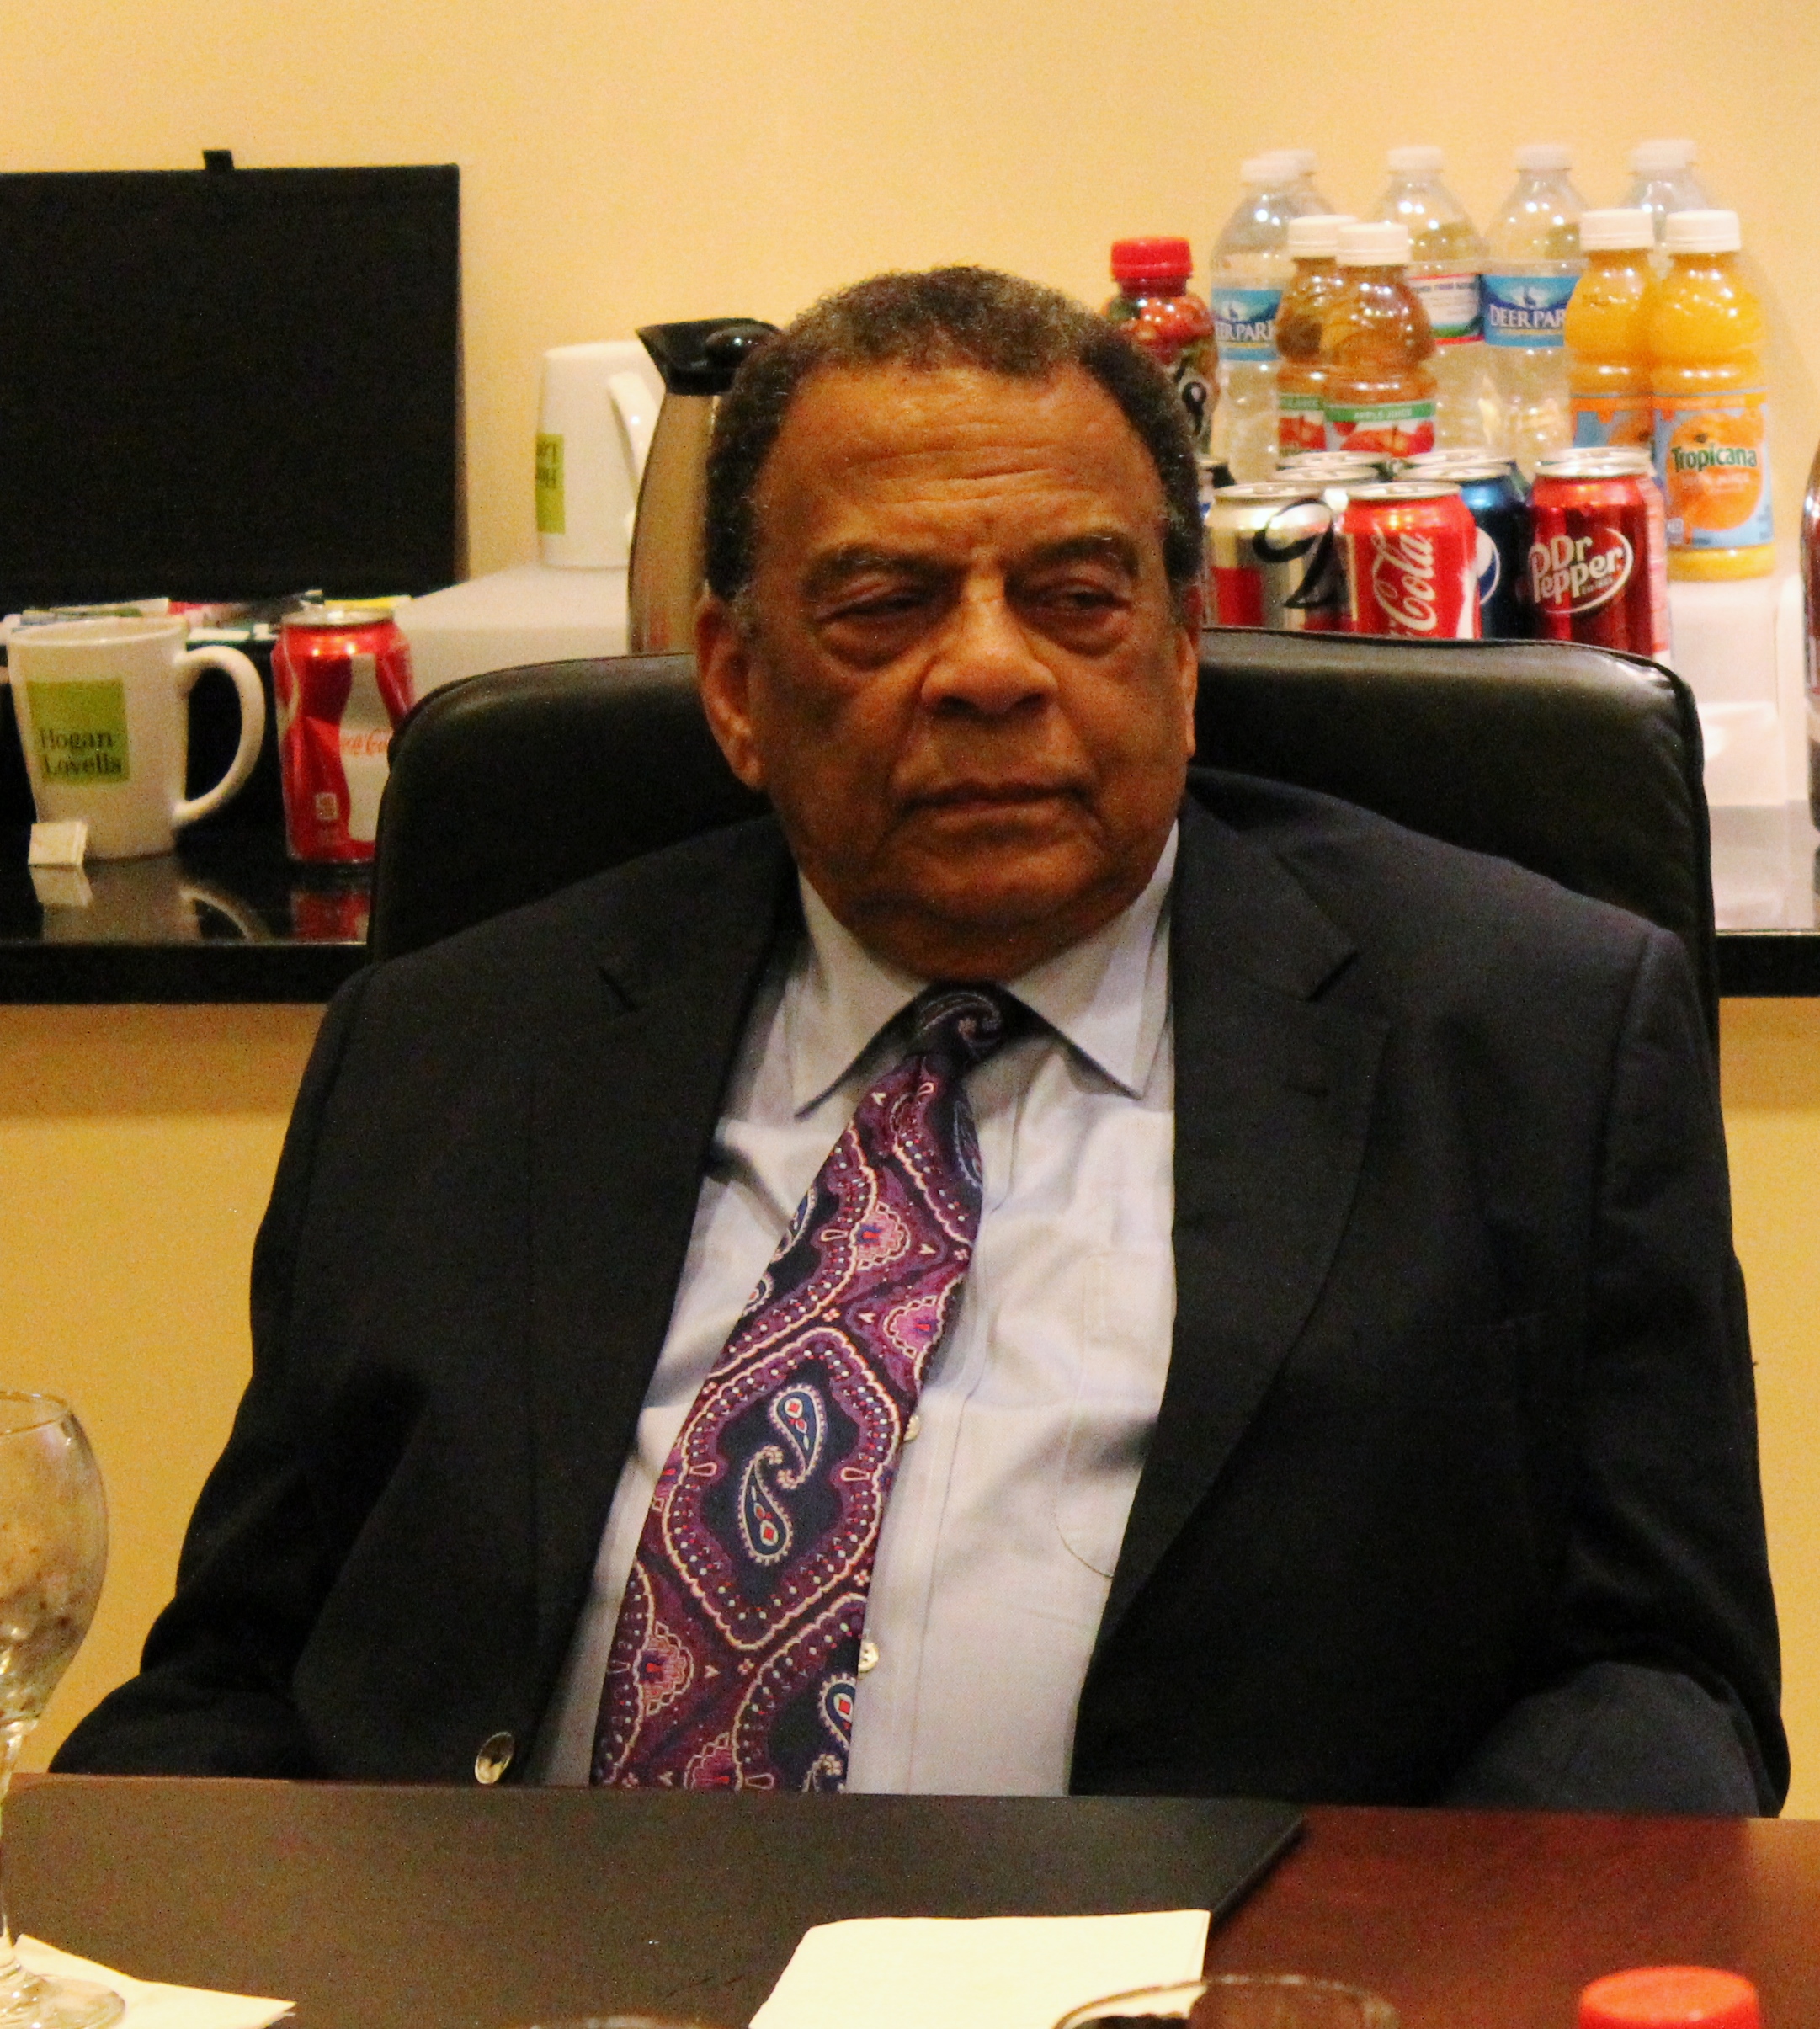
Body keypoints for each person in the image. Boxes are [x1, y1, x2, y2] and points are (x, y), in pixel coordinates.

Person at [57, 267, 1784, 1811]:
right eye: (883, 603)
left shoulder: (1529, 1037)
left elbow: (1661, 1688)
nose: (987, 671)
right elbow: (239, 1672)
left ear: (1184, 655)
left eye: (1077, 597)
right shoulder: (451, 1049)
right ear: (734, 684)